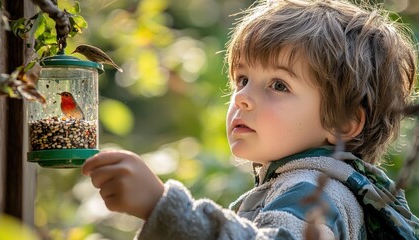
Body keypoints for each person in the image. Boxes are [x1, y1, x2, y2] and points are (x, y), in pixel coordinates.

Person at [82, 0, 419, 239]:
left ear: (343, 123)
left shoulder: (316, 194)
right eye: (242, 79)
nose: (241, 96)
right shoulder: (301, 185)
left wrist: (163, 207)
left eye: (278, 85)